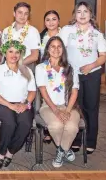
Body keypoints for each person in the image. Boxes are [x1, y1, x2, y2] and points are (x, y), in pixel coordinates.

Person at [59, 1, 106, 155]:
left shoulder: (97, 34)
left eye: (85, 11)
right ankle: (76, 140)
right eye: (79, 12)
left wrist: (90, 66)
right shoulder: (67, 31)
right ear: (75, 15)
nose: (82, 15)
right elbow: (59, 50)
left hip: (91, 74)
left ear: (90, 14)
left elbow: (103, 56)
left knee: (91, 108)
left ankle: (91, 141)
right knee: (74, 108)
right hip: (72, 75)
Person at [0, 40, 36, 169]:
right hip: (0, 104)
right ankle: (1, 151)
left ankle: (11, 151)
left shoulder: (26, 71)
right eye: (10, 51)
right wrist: (10, 105)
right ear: (5, 52)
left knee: (26, 123)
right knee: (10, 122)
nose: (14, 55)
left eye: (17, 52)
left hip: (22, 104)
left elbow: (32, 91)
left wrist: (26, 103)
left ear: (20, 54)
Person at [35, 36, 80, 168]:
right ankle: (66, 149)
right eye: (52, 46)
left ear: (63, 50)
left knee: (71, 127)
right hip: (48, 107)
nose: (56, 49)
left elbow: (74, 91)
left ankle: (61, 151)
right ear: (48, 49)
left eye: (59, 46)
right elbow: (43, 91)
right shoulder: (41, 68)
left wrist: (66, 111)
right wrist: (55, 110)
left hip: (69, 106)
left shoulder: (70, 68)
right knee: (56, 126)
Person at [38, 10, 61, 144]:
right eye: (48, 20)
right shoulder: (41, 36)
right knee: (46, 100)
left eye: (54, 19)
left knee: (60, 99)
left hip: (61, 72)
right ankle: (48, 131)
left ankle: (60, 128)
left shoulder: (64, 34)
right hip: (45, 72)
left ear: (58, 21)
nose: (51, 22)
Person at [1, 2, 40, 69]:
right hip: (8, 66)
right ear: (14, 13)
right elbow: (3, 52)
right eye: (20, 12)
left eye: (26, 13)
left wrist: (17, 65)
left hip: (26, 66)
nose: (22, 16)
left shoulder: (33, 31)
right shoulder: (6, 31)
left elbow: (35, 56)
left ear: (28, 15)